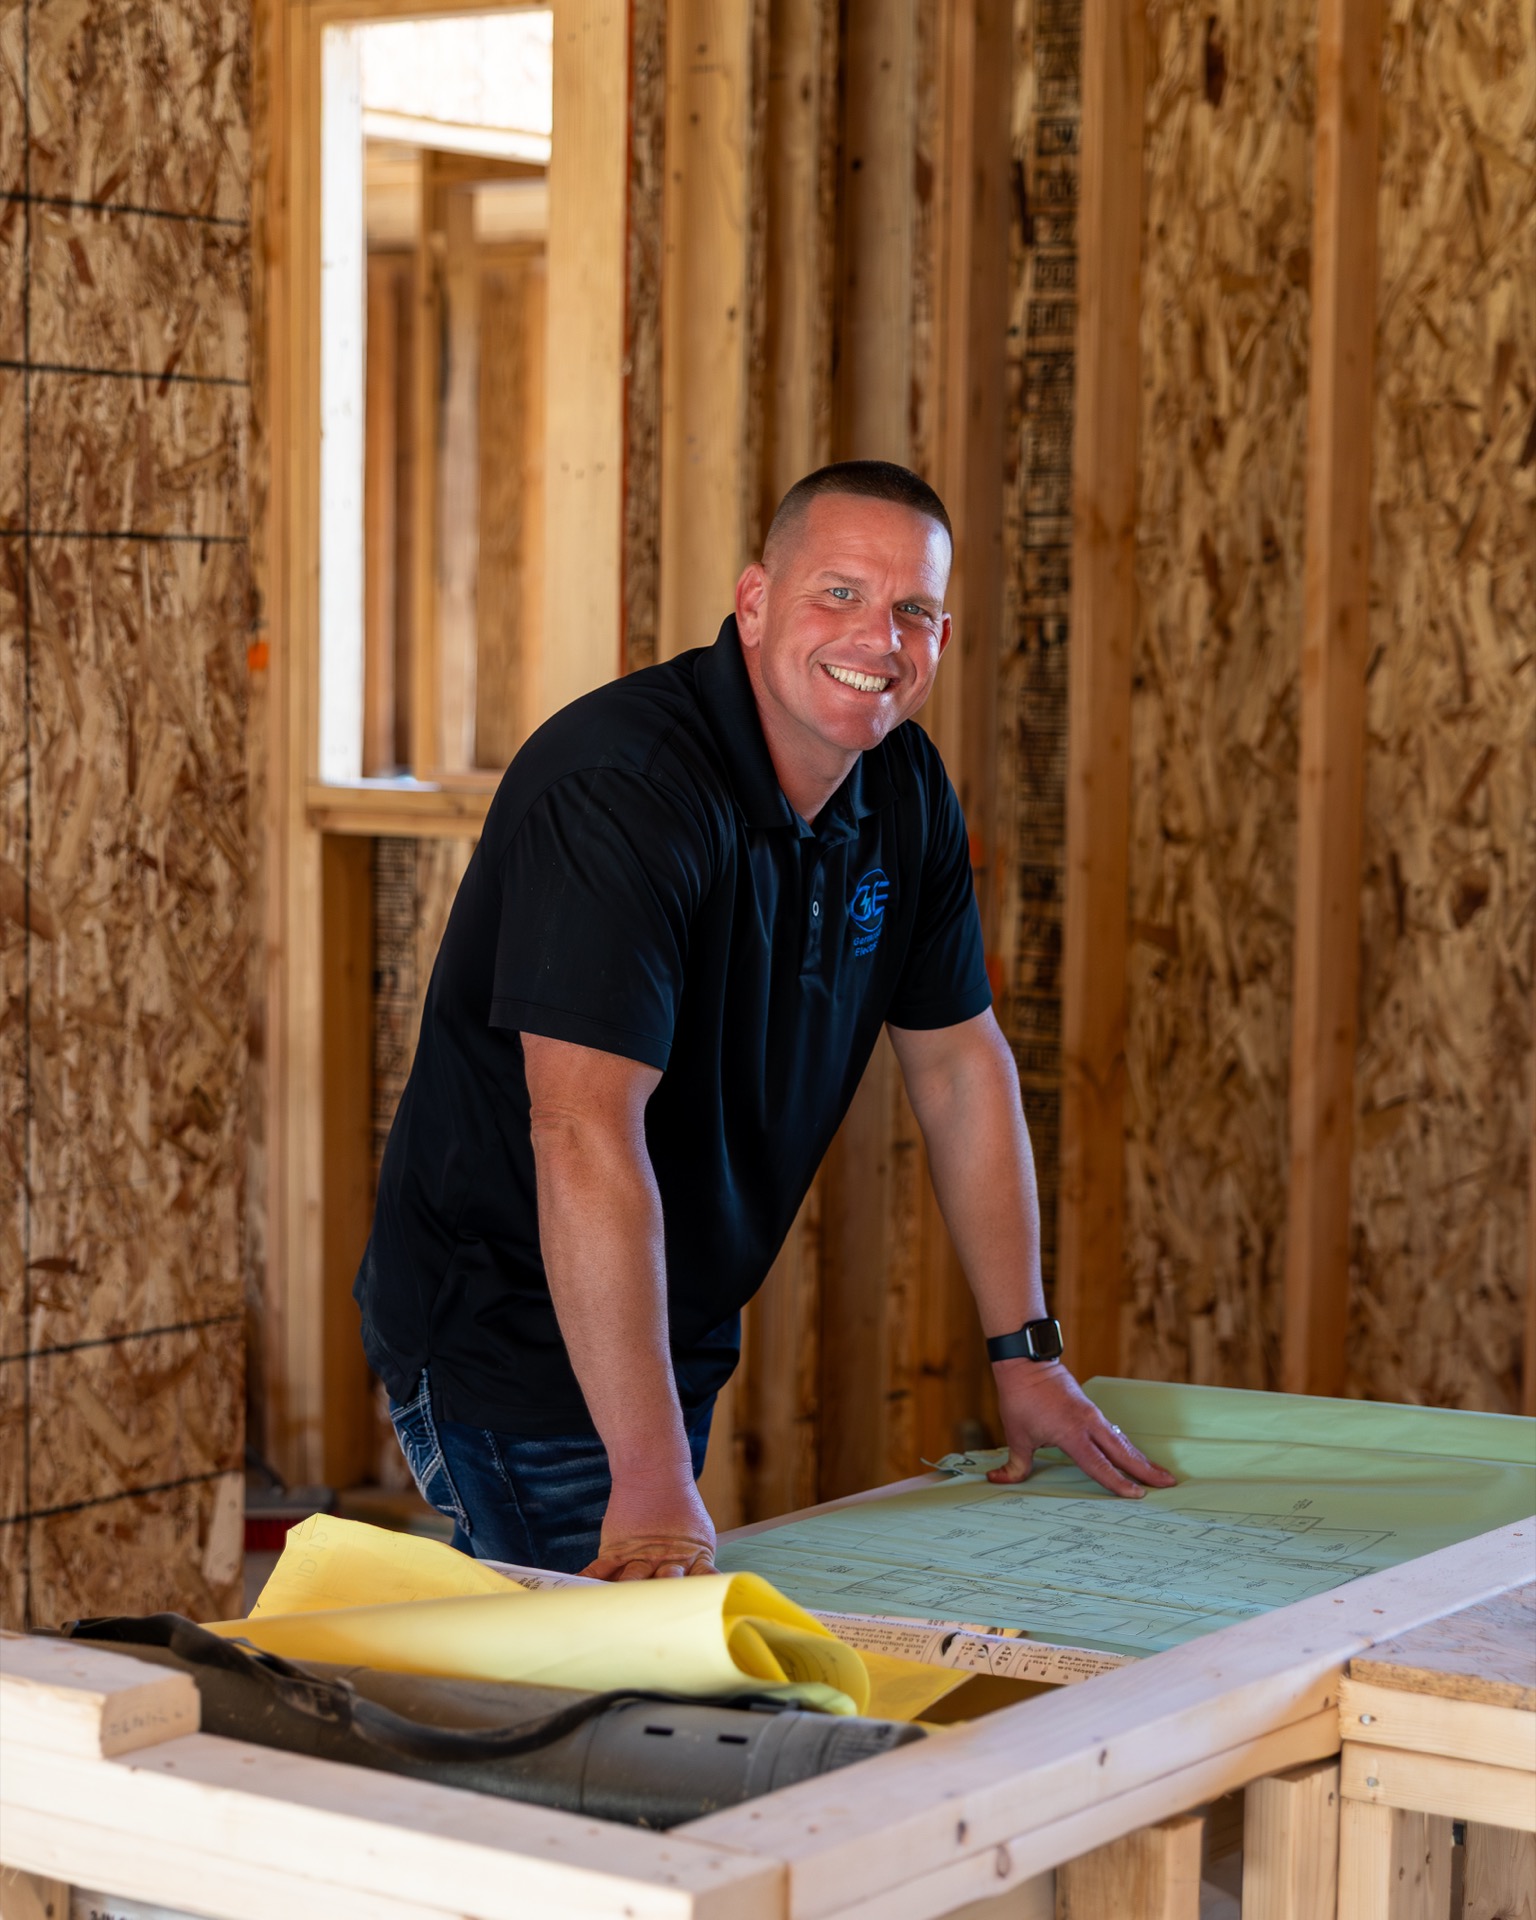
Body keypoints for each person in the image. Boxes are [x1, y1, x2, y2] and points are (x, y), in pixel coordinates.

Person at [355, 460, 1174, 1581]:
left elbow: (959, 1069)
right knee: (603, 1704)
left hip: (669, 1328)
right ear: (752, 602)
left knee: (638, 1673)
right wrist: (647, 1477)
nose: (878, 637)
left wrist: (1025, 1353)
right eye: (838, 593)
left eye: (914, 610)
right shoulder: (623, 791)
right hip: (514, 1341)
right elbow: (582, 1131)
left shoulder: (905, 792)